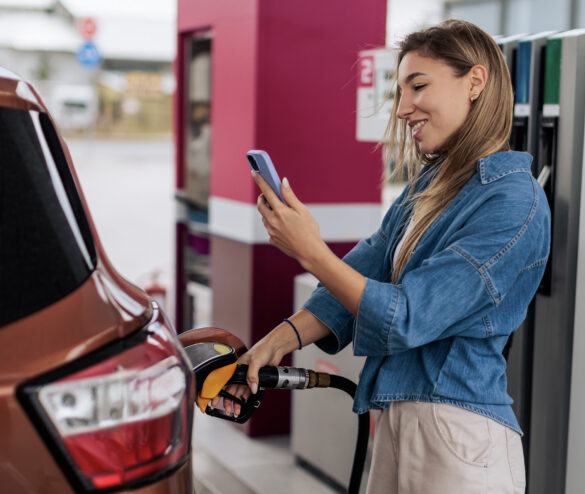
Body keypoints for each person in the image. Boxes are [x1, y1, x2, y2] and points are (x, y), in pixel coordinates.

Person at [213, 19, 550, 494]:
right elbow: (355, 279)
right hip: (397, 419)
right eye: (399, 90)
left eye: (418, 85)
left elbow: (409, 315)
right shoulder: (426, 190)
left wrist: (311, 252)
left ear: (475, 82)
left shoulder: (515, 201)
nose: (404, 106)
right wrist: (273, 344)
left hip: (461, 437)